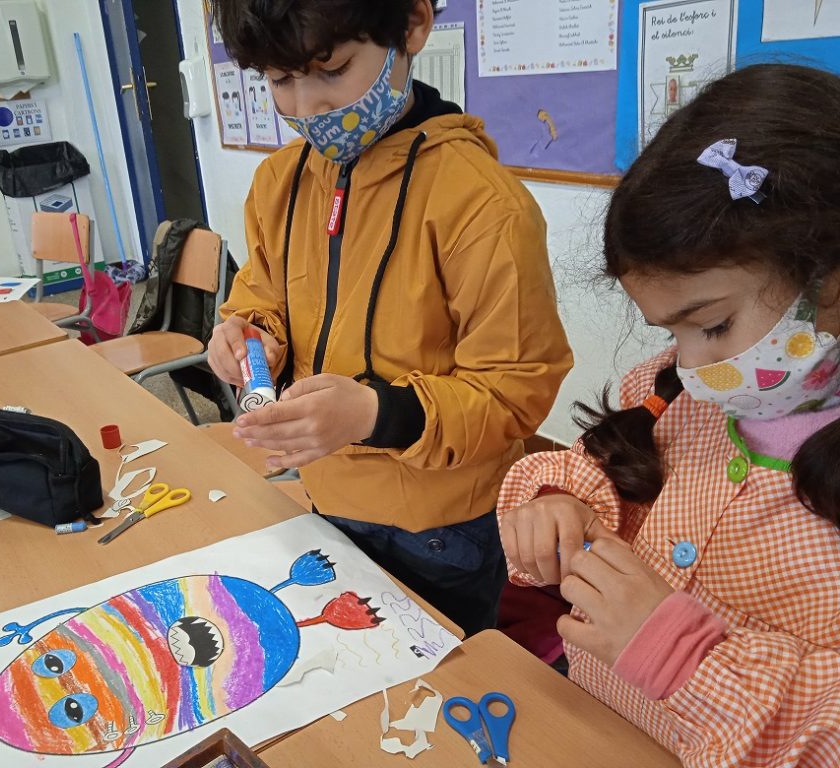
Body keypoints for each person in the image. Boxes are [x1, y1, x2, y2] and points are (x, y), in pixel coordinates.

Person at [497, 64, 840, 766]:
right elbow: (602, 471)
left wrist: (679, 654)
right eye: (671, 332)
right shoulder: (682, 394)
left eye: (711, 325)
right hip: (595, 730)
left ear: (829, 276)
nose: (689, 364)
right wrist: (559, 501)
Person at [206, 0, 572, 636]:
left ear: (413, 25)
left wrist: (374, 414)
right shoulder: (280, 182)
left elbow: (515, 391)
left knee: (444, 677)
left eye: (332, 70)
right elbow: (262, 296)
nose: (308, 106)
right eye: (280, 79)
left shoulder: (483, 205)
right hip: (325, 493)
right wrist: (250, 337)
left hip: (442, 528)